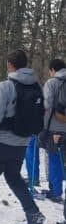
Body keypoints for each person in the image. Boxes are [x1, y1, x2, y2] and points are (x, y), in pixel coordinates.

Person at [0, 49, 45, 224]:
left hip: (1, 142)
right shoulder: (37, 86)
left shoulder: (5, 86)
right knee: (14, 178)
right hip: (22, 143)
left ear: (10, 64)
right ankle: (33, 213)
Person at [41, 58, 66, 202]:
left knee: (54, 158)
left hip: (55, 128)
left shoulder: (51, 83)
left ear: (53, 70)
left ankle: (56, 192)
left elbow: (47, 105)